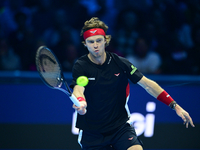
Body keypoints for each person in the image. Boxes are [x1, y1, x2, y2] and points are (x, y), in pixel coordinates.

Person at [70, 17, 195, 150]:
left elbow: (148, 84)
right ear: (85, 44)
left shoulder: (120, 63)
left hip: (120, 128)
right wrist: (80, 101)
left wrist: (175, 105)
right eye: (91, 41)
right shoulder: (81, 66)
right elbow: (79, 88)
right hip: (92, 134)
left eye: (99, 40)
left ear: (106, 40)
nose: (95, 45)